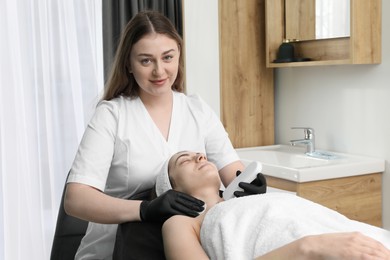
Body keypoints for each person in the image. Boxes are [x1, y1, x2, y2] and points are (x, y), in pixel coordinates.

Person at [63, 10, 265, 259]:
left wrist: (248, 184)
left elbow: (232, 174)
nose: (159, 71)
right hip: (115, 250)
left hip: (189, 245)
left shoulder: (197, 110)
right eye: (146, 61)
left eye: (167, 57)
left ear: (178, 54)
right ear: (128, 63)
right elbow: (76, 200)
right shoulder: (112, 116)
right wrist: (144, 210)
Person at [158, 151, 390, 260]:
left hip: (364, 242)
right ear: (172, 187)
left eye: (201, 155)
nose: (200, 157)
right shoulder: (182, 223)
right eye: (185, 160)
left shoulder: (248, 200)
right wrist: (308, 247)